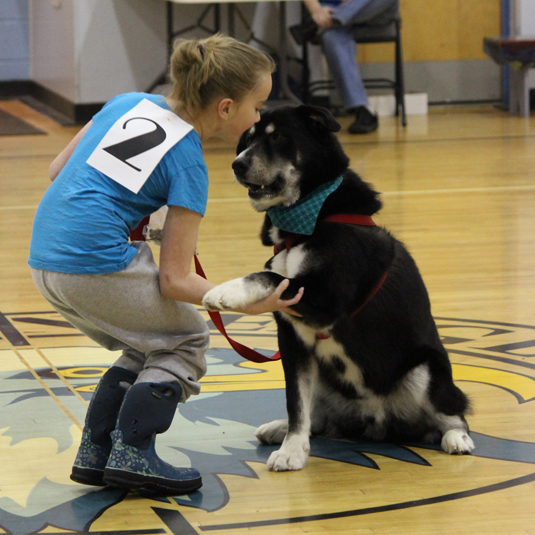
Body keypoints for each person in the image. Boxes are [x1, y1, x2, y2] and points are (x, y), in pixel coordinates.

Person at [28, 34, 303, 496]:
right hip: (91, 264)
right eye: (257, 106)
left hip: (44, 256)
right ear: (225, 107)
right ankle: (134, 455)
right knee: (187, 338)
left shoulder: (127, 102)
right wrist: (248, 304)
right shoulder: (189, 162)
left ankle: (99, 452)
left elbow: (59, 169)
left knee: (151, 341)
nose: (259, 117)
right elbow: (176, 280)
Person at [290, 0, 399, 134]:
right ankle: (362, 109)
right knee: (331, 38)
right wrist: (316, 10)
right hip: (328, 13)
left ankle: (334, 19)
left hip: (374, 14)